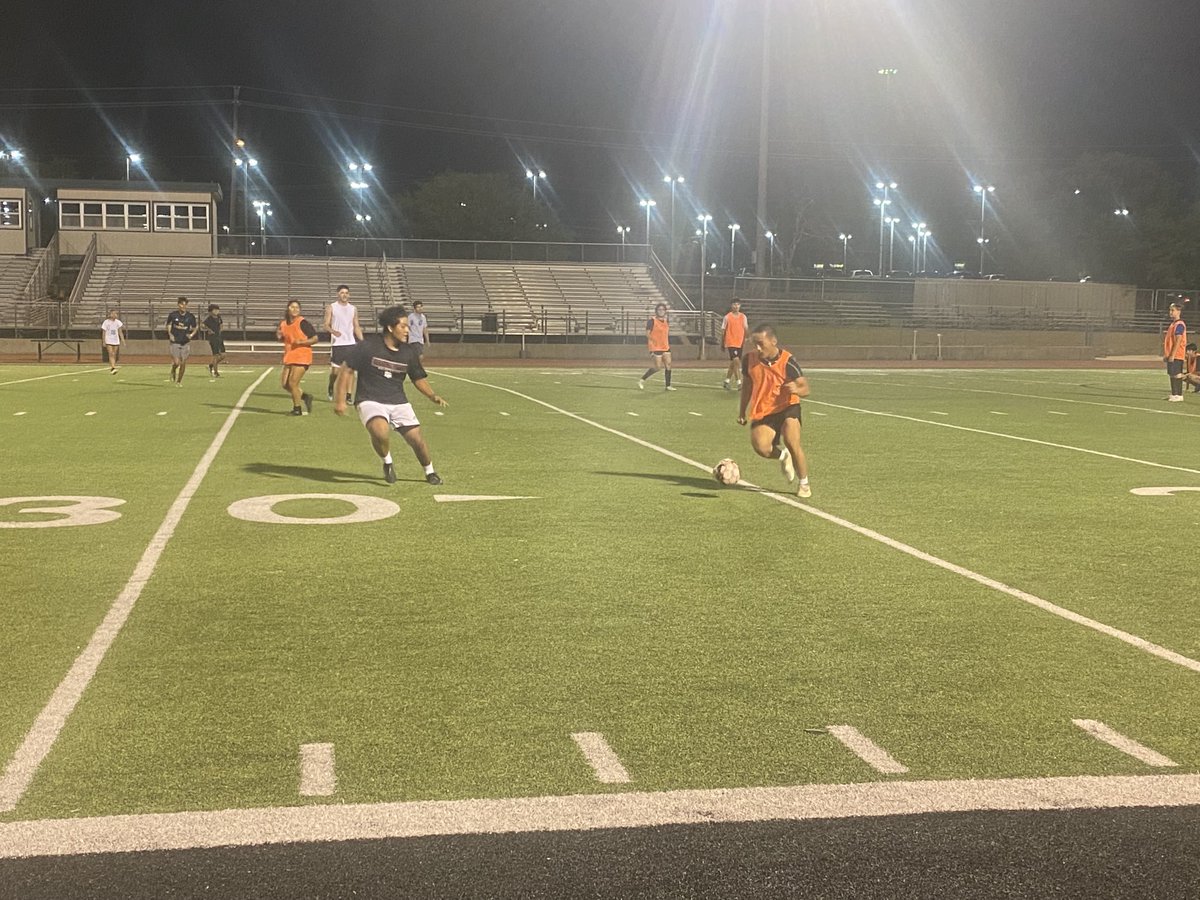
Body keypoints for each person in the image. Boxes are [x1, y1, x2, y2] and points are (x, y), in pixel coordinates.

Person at [333, 305, 447, 485]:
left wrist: (432, 395)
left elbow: (418, 378)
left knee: (417, 440)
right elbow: (346, 370)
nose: (407, 330)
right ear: (390, 327)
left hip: (398, 401)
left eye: (408, 326)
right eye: (403, 326)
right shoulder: (368, 347)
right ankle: (387, 461)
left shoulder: (409, 352)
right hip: (370, 399)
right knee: (381, 432)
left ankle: (429, 471)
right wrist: (340, 401)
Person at [737, 323, 812, 498]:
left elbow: (806, 388)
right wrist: (741, 411)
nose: (757, 348)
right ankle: (783, 456)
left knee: (792, 442)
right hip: (764, 409)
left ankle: (804, 483)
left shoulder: (788, 361)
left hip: (788, 407)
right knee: (761, 447)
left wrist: (797, 389)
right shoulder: (749, 360)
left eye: (760, 343)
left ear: (773, 341)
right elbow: (747, 386)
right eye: (754, 343)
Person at [277, 300, 318, 416]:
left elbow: (315, 338)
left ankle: (297, 409)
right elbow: (284, 337)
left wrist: (302, 342)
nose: (295, 309)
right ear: (288, 309)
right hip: (290, 356)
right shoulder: (283, 324)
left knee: (293, 383)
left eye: (297, 307)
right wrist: (279, 337)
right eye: (292, 307)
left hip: (302, 356)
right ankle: (305, 396)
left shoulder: (303, 323)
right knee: (285, 384)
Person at [323, 284, 362, 402]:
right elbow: (325, 325)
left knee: (351, 371)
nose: (344, 295)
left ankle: (349, 395)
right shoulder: (331, 307)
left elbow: (356, 326)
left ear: (349, 295)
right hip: (337, 344)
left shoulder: (353, 308)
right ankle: (331, 386)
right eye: (342, 292)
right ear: (338, 294)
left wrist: (362, 341)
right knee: (335, 371)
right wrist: (333, 331)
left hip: (350, 343)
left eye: (346, 293)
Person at [638, 303, 676, 390]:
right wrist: (653, 343)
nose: (661, 311)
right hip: (656, 347)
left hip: (665, 346)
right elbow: (647, 334)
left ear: (665, 311)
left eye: (663, 309)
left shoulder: (666, 321)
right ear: (656, 311)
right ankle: (642, 380)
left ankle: (668, 385)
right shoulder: (652, 321)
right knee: (657, 367)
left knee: (668, 364)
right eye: (659, 309)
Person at [164, 296, 198, 386]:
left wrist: (191, 335)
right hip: (175, 341)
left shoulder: (190, 316)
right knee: (176, 362)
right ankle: (173, 369)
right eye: (181, 304)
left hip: (185, 342)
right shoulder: (173, 315)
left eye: (184, 304)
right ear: (178, 305)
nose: (183, 306)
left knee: (183, 362)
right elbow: (168, 325)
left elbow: (195, 327)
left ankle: (179, 381)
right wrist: (170, 334)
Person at [721, 299, 749, 391]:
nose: (736, 306)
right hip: (731, 342)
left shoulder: (743, 317)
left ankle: (727, 381)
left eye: (738, 304)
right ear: (731, 305)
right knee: (736, 361)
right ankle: (739, 383)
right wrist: (722, 342)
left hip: (739, 342)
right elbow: (723, 330)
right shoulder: (727, 317)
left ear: (740, 306)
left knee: (733, 363)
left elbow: (746, 328)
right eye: (734, 304)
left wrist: (747, 338)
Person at [1163, 301, 1187, 402]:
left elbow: (1178, 340)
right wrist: (1167, 354)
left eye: (1173, 310)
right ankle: (1174, 394)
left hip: (1177, 354)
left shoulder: (1179, 324)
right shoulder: (1173, 324)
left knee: (1177, 374)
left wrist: (1172, 354)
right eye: (1170, 310)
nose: (1170, 312)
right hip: (1171, 354)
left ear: (1179, 311)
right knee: (1172, 374)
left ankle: (1179, 395)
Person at [202, 303, 226, 378]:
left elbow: (221, 324)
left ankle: (211, 365)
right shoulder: (209, 319)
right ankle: (215, 372)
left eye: (217, 310)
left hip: (219, 337)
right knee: (215, 355)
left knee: (223, 355)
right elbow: (202, 325)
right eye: (215, 310)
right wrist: (209, 330)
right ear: (210, 311)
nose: (216, 311)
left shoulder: (219, 317)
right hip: (213, 338)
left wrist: (221, 329)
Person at [100, 308, 125, 373]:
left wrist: (123, 340)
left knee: (114, 353)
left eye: (115, 314)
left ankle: (113, 365)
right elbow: (104, 332)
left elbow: (120, 332)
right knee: (111, 353)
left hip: (115, 340)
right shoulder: (106, 322)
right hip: (108, 339)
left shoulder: (118, 322)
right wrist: (103, 341)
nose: (115, 315)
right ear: (110, 314)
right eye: (113, 313)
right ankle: (113, 367)